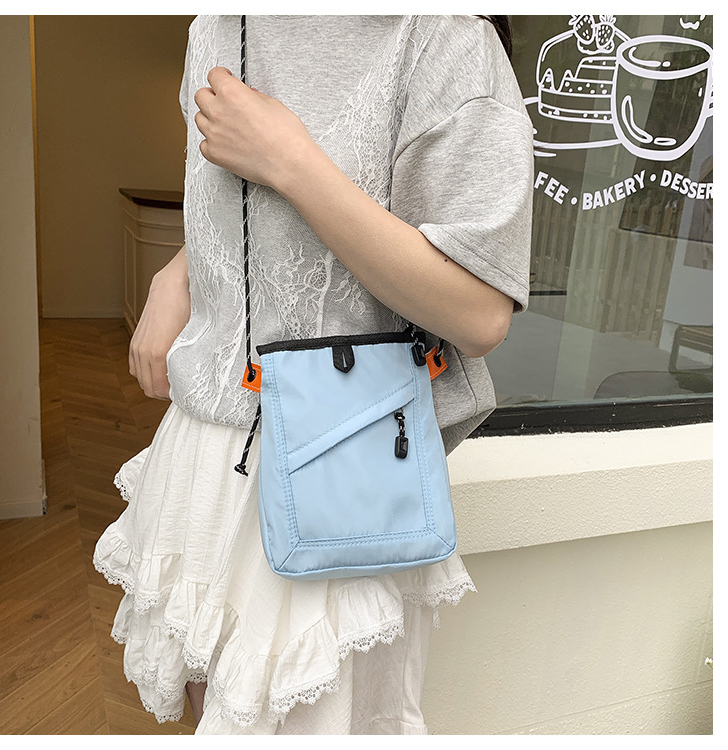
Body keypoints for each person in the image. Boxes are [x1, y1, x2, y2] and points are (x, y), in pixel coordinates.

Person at [94, 14, 533, 735]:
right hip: (204, 450)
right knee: (210, 712)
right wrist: (182, 269)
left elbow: (479, 311)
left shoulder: (441, 39)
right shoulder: (221, 24)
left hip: (340, 464)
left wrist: (292, 162)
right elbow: (249, 211)